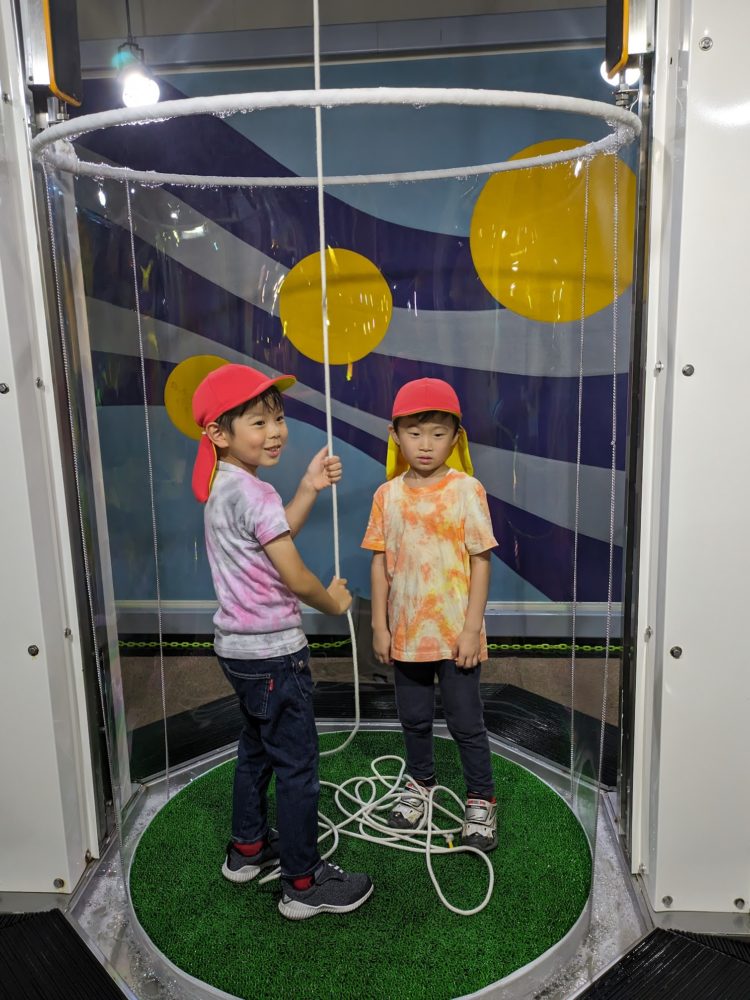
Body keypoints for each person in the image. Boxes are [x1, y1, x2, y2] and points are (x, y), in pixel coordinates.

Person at [192, 363, 373, 919]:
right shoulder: (256, 493)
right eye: (258, 421)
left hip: (237, 651)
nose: (275, 432)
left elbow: (272, 535)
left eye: (278, 418)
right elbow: (293, 574)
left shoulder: (225, 487)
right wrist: (333, 603)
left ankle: (247, 851)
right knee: (297, 766)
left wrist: (308, 488)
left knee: (256, 749)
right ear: (219, 432)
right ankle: (303, 882)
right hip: (274, 654)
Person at [361, 377, 499, 851]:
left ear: (456, 437)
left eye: (438, 434)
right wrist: (379, 625)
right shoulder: (387, 495)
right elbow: (379, 561)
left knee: (466, 722)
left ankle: (481, 799)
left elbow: (481, 560)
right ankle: (419, 785)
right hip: (406, 633)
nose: (425, 444)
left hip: (456, 634)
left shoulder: (467, 490)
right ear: (395, 435)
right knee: (414, 719)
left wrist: (472, 628)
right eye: (414, 433)